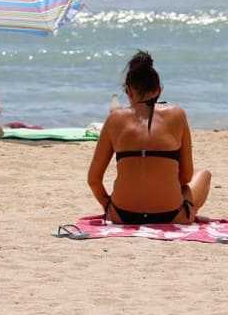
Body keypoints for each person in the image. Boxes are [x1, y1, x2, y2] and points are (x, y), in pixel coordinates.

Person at [87, 50, 212, 224]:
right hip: (171, 215)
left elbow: (93, 179)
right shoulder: (177, 114)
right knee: (204, 174)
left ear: (128, 91)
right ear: (159, 90)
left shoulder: (114, 118)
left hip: (122, 215)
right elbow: (186, 176)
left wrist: (108, 205)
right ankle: (189, 211)